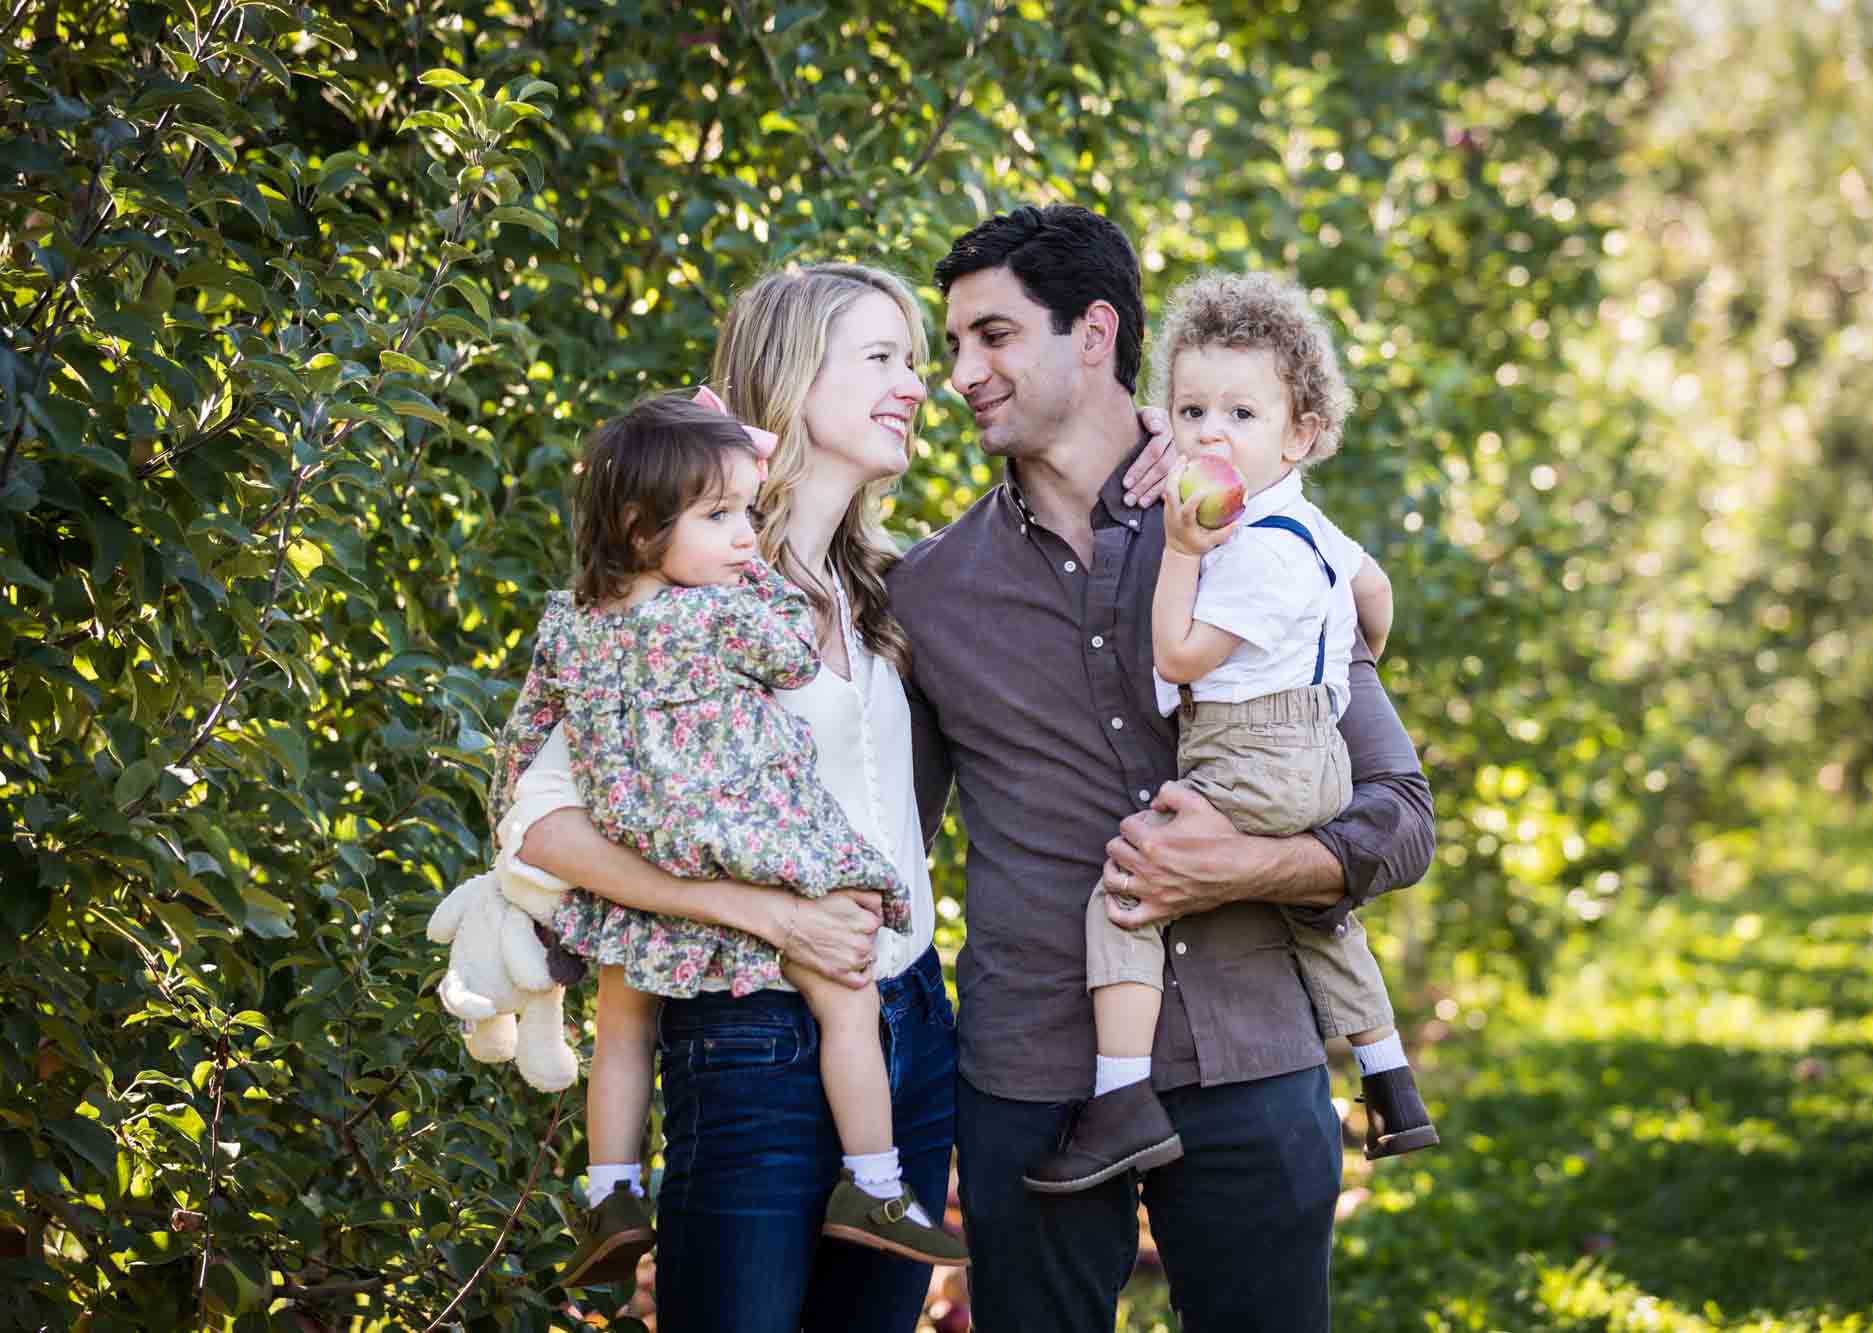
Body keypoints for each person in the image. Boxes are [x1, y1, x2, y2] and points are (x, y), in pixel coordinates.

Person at [490, 262, 1178, 1330]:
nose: (918, 383)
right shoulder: (683, 592)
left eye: (914, 358)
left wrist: (1180, 448)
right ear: (792, 377)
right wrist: (765, 913)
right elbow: (535, 826)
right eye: (882, 358)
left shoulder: (887, 590)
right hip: (749, 1034)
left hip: (909, 1027)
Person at [895, 205, 1435, 1330]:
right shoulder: (929, 593)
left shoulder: (1264, 535)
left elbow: (1398, 813)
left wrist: (1243, 864)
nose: (961, 373)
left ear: (1092, 333)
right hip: (1031, 1075)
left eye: (990, 336)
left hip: (1252, 1051)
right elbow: (884, 848)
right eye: (952, 346)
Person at [483, 388, 969, 1287]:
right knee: (845, 997)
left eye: (745, 511)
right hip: (753, 861)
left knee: (621, 1022)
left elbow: (523, 742)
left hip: (646, 855)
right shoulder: (718, 609)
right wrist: (764, 583)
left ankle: (610, 1190)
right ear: (641, 529)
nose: (742, 533)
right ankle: (876, 1182)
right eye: (721, 515)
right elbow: (789, 654)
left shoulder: (573, 623)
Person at [1024, 271, 1437, 1199]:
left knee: (1126, 888)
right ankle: (1390, 1078)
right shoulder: (1315, 528)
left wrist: (1179, 551)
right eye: (1191, 408)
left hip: (1250, 748)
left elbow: (1176, 656)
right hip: (1313, 747)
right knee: (1321, 914)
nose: (1210, 432)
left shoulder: (1246, 548)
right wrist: (1334, 663)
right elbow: (1374, 596)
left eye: (1241, 414)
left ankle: (1120, 1097)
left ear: (1301, 434)